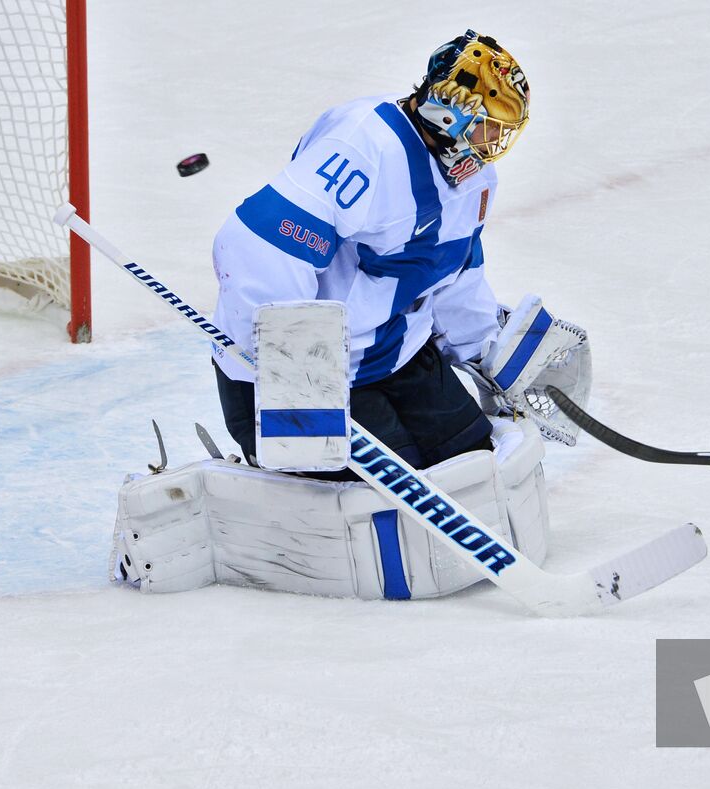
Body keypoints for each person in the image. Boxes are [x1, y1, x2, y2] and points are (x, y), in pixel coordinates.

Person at [209, 29, 532, 477]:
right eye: (486, 126)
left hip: (396, 355)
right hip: (309, 376)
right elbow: (258, 245)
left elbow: (455, 272)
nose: (491, 143)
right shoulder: (364, 147)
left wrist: (486, 353)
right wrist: (295, 385)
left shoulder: (475, 181)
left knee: (474, 462)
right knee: (393, 489)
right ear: (447, 113)